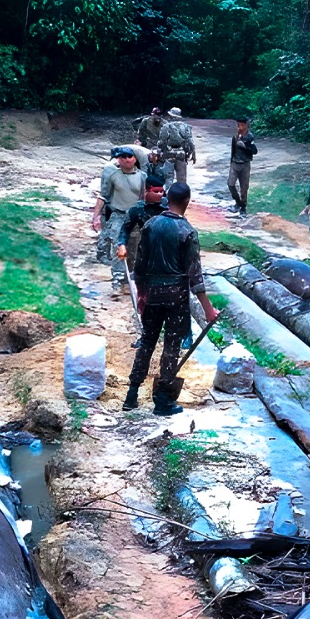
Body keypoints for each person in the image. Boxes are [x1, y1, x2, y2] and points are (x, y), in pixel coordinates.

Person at [124, 182, 220, 415]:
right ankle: (163, 401)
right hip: (175, 297)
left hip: (152, 294)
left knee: (146, 341)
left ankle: (131, 395)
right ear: (187, 201)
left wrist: (141, 294)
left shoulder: (150, 225)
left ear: (167, 199)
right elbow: (195, 276)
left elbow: (139, 266)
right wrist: (208, 309)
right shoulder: (187, 232)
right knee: (171, 346)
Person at [92, 147, 147, 290]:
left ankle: (131, 276)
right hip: (118, 215)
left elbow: (144, 197)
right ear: (118, 159)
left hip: (135, 216)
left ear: (134, 159)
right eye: (123, 157)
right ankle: (117, 277)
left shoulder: (142, 177)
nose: (126, 159)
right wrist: (96, 216)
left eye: (129, 156)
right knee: (118, 246)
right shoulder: (113, 176)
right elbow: (104, 196)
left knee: (135, 246)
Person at [227, 118, 258, 215]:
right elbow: (233, 149)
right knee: (230, 184)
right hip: (235, 163)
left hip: (245, 164)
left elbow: (254, 151)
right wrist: (231, 161)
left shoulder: (249, 136)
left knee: (244, 187)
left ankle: (243, 207)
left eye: (241, 125)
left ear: (246, 125)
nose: (239, 128)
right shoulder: (235, 136)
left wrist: (244, 146)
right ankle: (237, 202)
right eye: (238, 125)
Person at [159, 107, 196, 186]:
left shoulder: (166, 126)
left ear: (171, 116)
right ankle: (182, 196)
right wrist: (193, 154)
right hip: (181, 154)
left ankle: (169, 195)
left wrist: (161, 152)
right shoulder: (185, 127)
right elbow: (191, 142)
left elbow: (162, 142)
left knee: (169, 177)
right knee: (182, 178)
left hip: (169, 154)